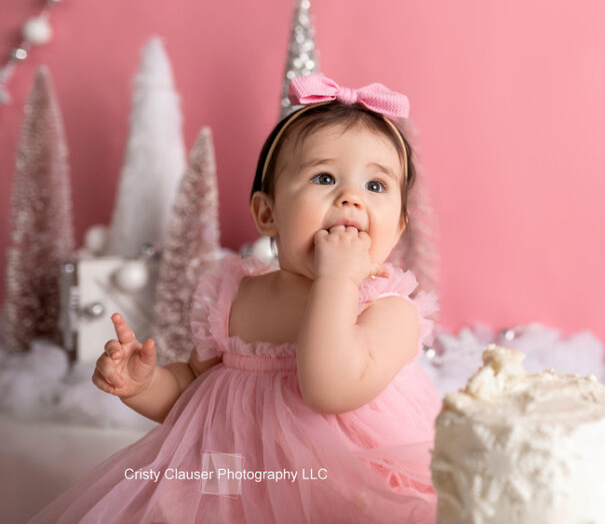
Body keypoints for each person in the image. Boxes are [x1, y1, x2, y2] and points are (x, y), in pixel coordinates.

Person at [30, 74, 441, 523]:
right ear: (268, 214)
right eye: (324, 177)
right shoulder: (237, 296)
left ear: (398, 227)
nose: (351, 199)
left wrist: (338, 280)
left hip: (337, 492)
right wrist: (144, 386)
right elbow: (192, 396)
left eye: (376, 186)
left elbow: (329, 389)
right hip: (228, 491)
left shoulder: (387, 310)